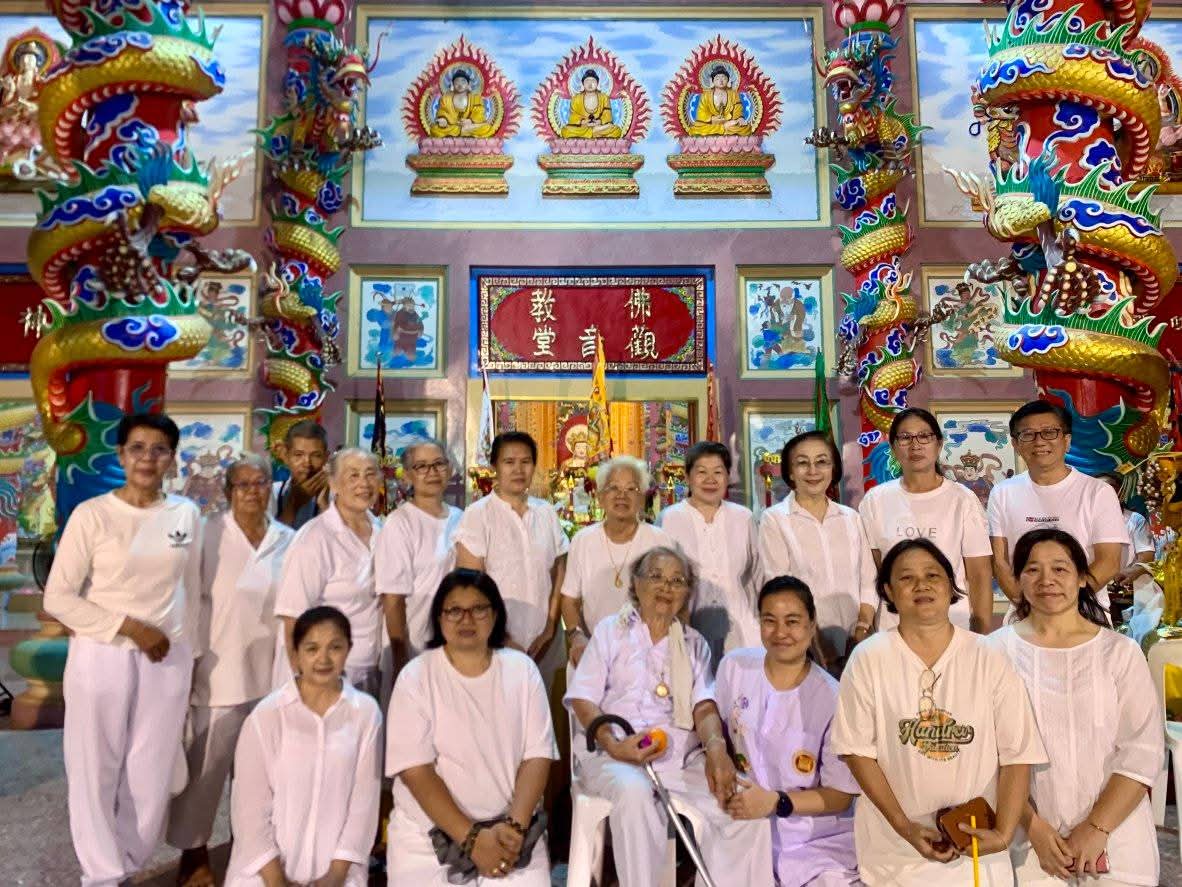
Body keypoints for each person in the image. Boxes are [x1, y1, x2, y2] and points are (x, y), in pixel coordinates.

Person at [44, 412, 203, 887]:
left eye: (159, 450)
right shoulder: (92, 515)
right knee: (95, 765)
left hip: (167, 659)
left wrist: (190, 659)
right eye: (137, 448)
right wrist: (129, 628)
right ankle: (101, 874)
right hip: (102, 653)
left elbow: (192, 592)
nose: (147, 459)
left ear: (172, 458)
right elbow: (58, 598)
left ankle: (128, 863)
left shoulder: (186, 514)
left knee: (151, 770)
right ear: (120, 455)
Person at [831, 538, 1046, 886]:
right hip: (895, 859)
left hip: (977, 855)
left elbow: (1017, 754)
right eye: (907, 578)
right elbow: (857, 752)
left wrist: (1004, 833)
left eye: (933, 575)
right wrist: (904, 826)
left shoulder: (988, 656)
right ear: (888, 591)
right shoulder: (869, 659)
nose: (922, 585)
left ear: (950, 585)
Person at [565, 546, 774, 887]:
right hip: (613, 755)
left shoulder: (694, 643)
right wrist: (614, 746)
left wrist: (717, 751)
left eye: (677, 581)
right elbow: (583, 699)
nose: (666, 587)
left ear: (687, 593)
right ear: (636, 584)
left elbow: (704, 707)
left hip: (679, 760)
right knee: (635, 794)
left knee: (745, 809)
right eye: (656, 577)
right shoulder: (610, 631)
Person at [986, 529, 1163, 886]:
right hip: (1028, 842)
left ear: (1083, 578)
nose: (1046, 580)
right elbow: (987, 756)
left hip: (1116, 838)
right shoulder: (993, 652)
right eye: (1032, 569)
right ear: (1018, 579)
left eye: (1060, 569)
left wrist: (1096, 828)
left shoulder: (1119, 652)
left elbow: (1142, 750)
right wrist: (1033, 827)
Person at [168, 454, 296, 887]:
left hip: (272, 673)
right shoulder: (208, 535)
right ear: (228, 492)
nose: (252, 492)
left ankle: (251, 848)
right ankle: (194, 852)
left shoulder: (287, 539)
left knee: (260, 774)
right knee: (206, 771)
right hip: (218, 671)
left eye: (260, 483)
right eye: (243, 485)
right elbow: (186, 599)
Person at [385, 569, 558, 885]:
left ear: (495, 615)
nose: (466, 619)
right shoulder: (415, 677)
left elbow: (538, 755)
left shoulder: (522, 671)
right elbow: (416, 772)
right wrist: (473, 840)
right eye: (454, 610)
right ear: (439, 617)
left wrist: (514, 830)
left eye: (478, 609)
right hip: (428, 843)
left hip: (511, 837)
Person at [714, 576, 860, 887]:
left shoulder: (832, 698)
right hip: (744, 828)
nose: (780, 633)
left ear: (811, 624)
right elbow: (707, 710)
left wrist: (775, 802)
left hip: (815, 841)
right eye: (770, 621)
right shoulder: (735, 667)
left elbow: (840, 796)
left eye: (792, 621)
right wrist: (715, 748)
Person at [224, 606, 382, 887]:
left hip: (338, 873)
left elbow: (364, 804)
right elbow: (249, 812)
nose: (323, 659)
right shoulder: (267, 716)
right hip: (264, 873)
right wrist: (277, 881)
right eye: (312, 649)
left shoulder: (366, 713)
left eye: (335, 647)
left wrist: (336, 874)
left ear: (348, 650)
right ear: (295, 654)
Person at [987, 400, 1129, 619]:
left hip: (1085, 615)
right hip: (1024, 617)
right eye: (1028, 434)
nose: (1039, 441)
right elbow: (1000, 562)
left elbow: (1108, 562)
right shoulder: (1002, 492)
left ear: (1067, 441)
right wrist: (1030, 607)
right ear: (1015, 444)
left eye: (1049, 432)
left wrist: (1062, 607)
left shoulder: (1098, 492)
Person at [858, 408, 993, 633]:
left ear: (938, 444)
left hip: (953, 625)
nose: (915, 445)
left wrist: (982, 635)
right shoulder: (875, 500)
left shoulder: (963, 499)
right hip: (894, 627)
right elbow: (873, 572)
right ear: (893, 447)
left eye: (924, 436)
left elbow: (979, 573)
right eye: (905, 438)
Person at [455, 431, 568, 684]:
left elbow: (559, 570)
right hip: (495, 641)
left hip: (545, 642)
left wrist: (550, 627)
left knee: (539, 703)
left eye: (525, 461)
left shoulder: (546, 512)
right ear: (495, 466)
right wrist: (502, 637)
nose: (518, 470)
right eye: (509, 462)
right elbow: (470, 587)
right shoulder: (478, 515)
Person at [758, 431, 877, 666]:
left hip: (857, 644)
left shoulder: (851, 518)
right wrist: (817, 643)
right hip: (804, 646)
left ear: (833, 469)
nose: (813, 471)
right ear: (790, 472)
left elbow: (868, 581)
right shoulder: (775, 520)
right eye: (803, 463)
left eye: (822, 462)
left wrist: (862, 629)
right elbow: (780, 588)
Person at [274, 448, 383, 696]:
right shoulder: (315, 538)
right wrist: (304, 684)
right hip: (323, 676)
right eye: (353, 475)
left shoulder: (382, 530)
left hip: (370, 671)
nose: (363, 484)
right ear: (333, 483)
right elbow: (293, 617)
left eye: (370, 474)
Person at [658, 440, 760, 668]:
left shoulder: (743, 517)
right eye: (702, 472)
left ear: (728, 476)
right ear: (687, 476)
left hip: (743, 632)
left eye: (718, 472)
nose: (710, 479)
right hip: (688, 631)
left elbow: (757, 575)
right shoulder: (669, 519)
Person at [562, 454, 670, 666]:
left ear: (642, 499)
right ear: (600, 497)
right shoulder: (583, 541)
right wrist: (576, 635)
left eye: (631, 489)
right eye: (613, 488)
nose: (622, 496)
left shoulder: (659, 541)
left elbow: (673, 598)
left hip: (648, 654)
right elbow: (569, 598)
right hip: (594, 652)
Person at [375, 438, 462, 675]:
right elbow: (392, 598)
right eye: (421, 466)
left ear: (449, 469)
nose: (432, 472)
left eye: (439, 464)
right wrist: (400, 657)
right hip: (413, 645)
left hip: (454, 644)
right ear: (407, 476)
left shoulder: (461, 519)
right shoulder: (400, 523)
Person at [272, 419, 330, 530]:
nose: (307, 463)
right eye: (298, 455)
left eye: (316, 455)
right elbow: (270, 540)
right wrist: (292, 506)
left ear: (326, 458)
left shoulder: (339, 497)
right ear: (286, 456)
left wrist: (324, 505)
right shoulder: (272, 493)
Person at [1099, 472, 1156, 574]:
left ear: (1122, 492)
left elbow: (1147, 555)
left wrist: (1131, 572)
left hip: (1128, 581)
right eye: (1098, 488)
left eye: (1110, 487)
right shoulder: (1084, 521)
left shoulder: (1135, 520)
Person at [428, 68, 497, 138]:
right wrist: (443, 119)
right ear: (452, 84)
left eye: (463, 81)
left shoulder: (475, 98)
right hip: (452, 126)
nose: (460, 84)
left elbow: (479, 112)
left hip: (470, 125)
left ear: (468, 84)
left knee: (487, 127)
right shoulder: (446, 98)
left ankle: (463, 130)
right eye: (457, 82)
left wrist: (470, 121)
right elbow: (443, 112)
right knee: (434, 129)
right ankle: (463, 131)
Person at [687, 64, 752, 136]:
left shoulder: (733, 94)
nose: (721, 81)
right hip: (712, 123)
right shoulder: (706, 96)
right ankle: (724, 128)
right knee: (696, 128)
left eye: (724, 78)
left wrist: (739, 118)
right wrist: (712, 119)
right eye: (717, 79)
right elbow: (701, 112)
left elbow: (738, 109)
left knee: (745, 128)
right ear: (712, 81)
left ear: (728, 80)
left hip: (729, 121)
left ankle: (725, 127)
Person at [559, 69, 623, 138]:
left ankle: (593, 132)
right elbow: (573, 116)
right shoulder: (576, 99)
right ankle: (594, 133)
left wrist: (599, 122)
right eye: (587, 81)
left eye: (593, 81)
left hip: (598, 126)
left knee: (617, 130)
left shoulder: (604, 98)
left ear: (597, 83)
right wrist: (583, 122)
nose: (590, 84)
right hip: (583, 127)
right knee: (565, 130)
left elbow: (607, 115)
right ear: (583, 84)